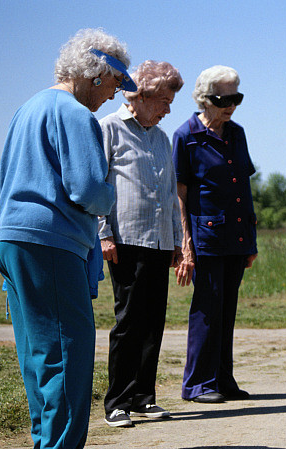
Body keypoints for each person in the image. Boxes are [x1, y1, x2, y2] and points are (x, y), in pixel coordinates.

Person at [0, 28, 137, 449]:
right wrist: (112, 195)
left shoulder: (28, 107)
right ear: (98, 74)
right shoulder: (75, 113)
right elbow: (89, 188)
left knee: (38, 349)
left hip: (11, 237)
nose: (116, 94)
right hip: (50, 241)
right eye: (117, 83)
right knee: (67, 347)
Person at [99, 60, 185, 427]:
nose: (168, 109)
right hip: (125, 238)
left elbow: (169, 192)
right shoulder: (109, 128)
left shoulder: (162, 138)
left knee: (153, 321)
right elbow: (97, 183)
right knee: (129, 321)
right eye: (164, 100)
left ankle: (143, 397)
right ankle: (117, 401)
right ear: (143, 95)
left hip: (159, 241)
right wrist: (102, 233)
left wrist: (178, 242)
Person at [173, 65, 257, 403]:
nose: (231, 104)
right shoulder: (186, 135)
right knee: (207, 309)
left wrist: (251, 238)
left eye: (236, 97)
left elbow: (245, 187)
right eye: (225, 98)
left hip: (236, 235)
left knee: (228, 309)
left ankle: (223, 380)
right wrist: (185, 243)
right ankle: (197, 384)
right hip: (205, 235)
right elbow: (179, 192)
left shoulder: (237, 133)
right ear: (205, 98)